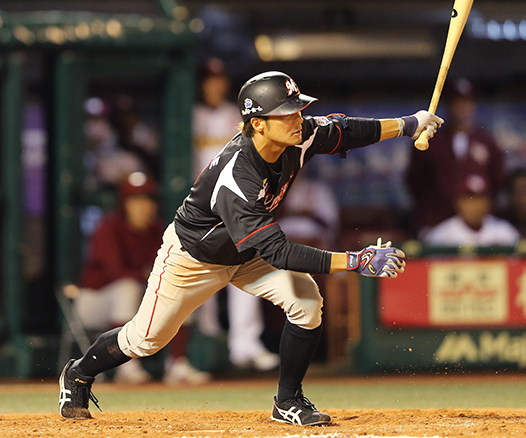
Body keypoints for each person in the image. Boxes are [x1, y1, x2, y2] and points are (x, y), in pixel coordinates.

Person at [58, 71, 442, 425]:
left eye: (297, 109)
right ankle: (78, 373)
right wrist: (356, 261)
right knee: (145, 339)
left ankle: (288, 401)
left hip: (246, 253)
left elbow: (345, 130)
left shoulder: (298, 135)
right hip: (195, 259)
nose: (298, 118)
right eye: (287, 113)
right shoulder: (237, 175)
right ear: (258, 124)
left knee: (306, 300)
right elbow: (279, 252)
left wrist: (408, 124)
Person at [74, 172, 210, 385]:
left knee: (180, 288)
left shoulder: (157, 230)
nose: (143, 206)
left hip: (137, 299)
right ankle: (126, 366)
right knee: (127, 288)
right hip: (94, 303)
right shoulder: (108, 227)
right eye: (135, 200)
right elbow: (115, 272)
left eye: (148, 199)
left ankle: (177, 365)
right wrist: (148, 276)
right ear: (124, 204)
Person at [193, 58, 279, 371]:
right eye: (209, 80)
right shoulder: (188, 116)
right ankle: (208, 345)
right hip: (201, 206)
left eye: (219, 80)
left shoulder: (237, 115)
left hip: (237, 202)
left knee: (247, 269)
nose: (215, 86)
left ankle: (246, 345)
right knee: (202, 275)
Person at [406, 78, 506, 238]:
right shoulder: (430, 140)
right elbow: (415, 182)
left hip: (476, 229)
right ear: (448, 105)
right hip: (438, 224)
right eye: (457, 102)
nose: (462, 107)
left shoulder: (486, 141)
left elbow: (497, 181)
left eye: (466, 102)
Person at [423, 174, 520, 247]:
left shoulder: (505, 231)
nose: (475, 205)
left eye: (480, 199)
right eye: (470, 199)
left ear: (489, 203)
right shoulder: (441, 235)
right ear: (458, 202)